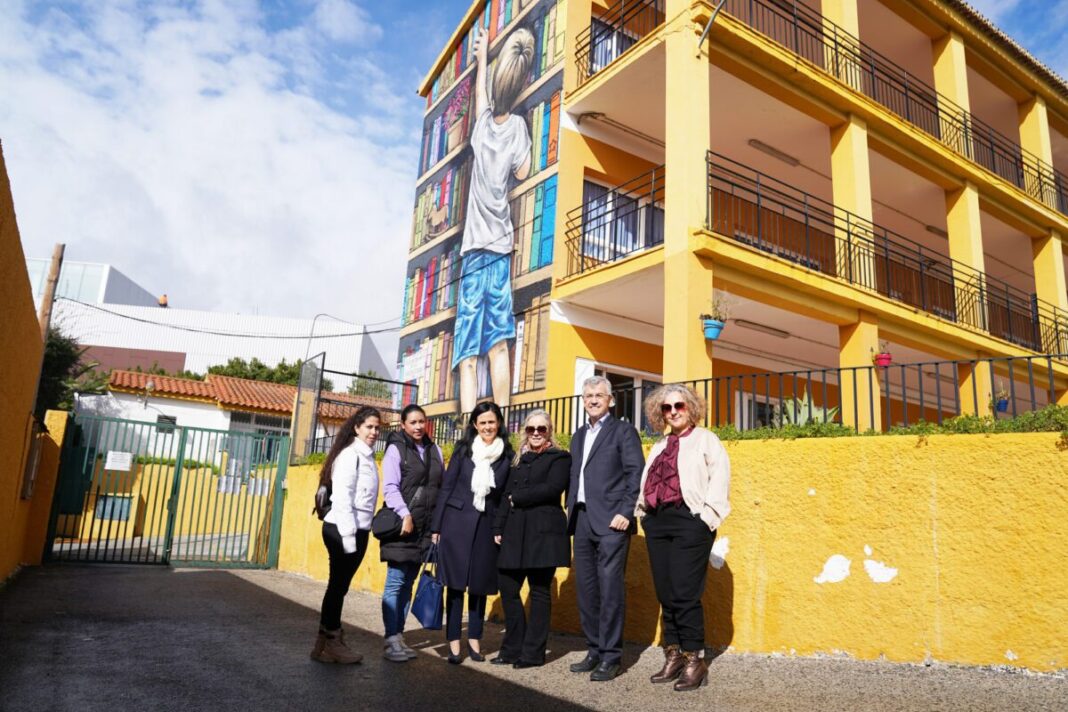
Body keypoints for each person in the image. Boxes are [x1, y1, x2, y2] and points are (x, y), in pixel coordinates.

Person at [453, 26, 534, 414]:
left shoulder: (481, 124)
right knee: (498, 341)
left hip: (473, 252)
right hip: (500, 247)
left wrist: (482, 57)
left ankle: (469, 423)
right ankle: (499, 419)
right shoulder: (518, 128)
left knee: (468, 348)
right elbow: (522, 173)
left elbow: (482, 92)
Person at [634, 384, 731, 692]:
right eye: (666, 408)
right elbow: (648, 481)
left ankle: (694, 659)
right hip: (658, 522)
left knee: (685, 593)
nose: (673, 412)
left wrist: (705, 520)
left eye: (679, 406)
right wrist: (645, 515)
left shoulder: (706, 440)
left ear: (691, 408)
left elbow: (720, 479)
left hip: (690, 521)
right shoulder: (661, 444)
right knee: (665, 591)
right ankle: (673, 653)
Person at [566, 376, 645, 681]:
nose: (594, 399)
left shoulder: (623, 431)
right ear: (583, 400)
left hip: (613, 521)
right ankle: (595, 650)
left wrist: (626, 511)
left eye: (600, 395)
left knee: (610, 589)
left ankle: (611, 656)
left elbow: (635, 473)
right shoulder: (578, 435)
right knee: (586, 590)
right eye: (588, 395)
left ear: (611, 400)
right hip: (582, 519)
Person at [430, 402, 513, 665]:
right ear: (475, 425)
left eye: (492, 422)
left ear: (498, 423)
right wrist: (437, 526)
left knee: (478, 586)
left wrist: (500, 528)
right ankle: (454, 642)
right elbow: (447, 487)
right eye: (483, 422)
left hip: (486, 527)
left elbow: (502, 498)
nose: (488, 427)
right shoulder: (463, 450)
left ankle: (474, 640)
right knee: (454, 587)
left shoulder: (507, 455)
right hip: (455, 524)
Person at [492, 409, 571, 668]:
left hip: (543, 534)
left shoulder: (559, 458)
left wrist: (520, 497)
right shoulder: (517, 460)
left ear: (549, 431)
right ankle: (512, 648)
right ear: (524, 431)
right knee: (509, 588)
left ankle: (533, 653)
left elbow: (552, 489)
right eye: (531, 429)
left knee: (539, 592)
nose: (536, 433)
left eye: (541, 429)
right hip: (514, 532)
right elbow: (505, 495)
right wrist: (498, 527)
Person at [311, 406, 381, 664]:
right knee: (338, 587)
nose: (373, 432)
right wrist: (350, 540)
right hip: (343, 529)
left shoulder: (366, 456)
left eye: (377, 428)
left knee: (338, 587)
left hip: (354, 529)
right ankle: (332, 640)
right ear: (357, 427)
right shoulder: (351, 455)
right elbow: (342, 498)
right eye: (369, 427)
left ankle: (323, 643)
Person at [379, 404, 444, 662]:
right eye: (413, 422)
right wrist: (405, 513)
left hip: (426, 529)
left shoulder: (434, 449)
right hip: (403, 528)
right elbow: (391, 487)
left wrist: (439, 526)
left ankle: (398, 635)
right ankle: (390, 638)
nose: (418, 426)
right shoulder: (396, 450)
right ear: (403, 425)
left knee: (408, 585)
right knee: (395, 582)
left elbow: (442, 487)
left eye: (422, 422)